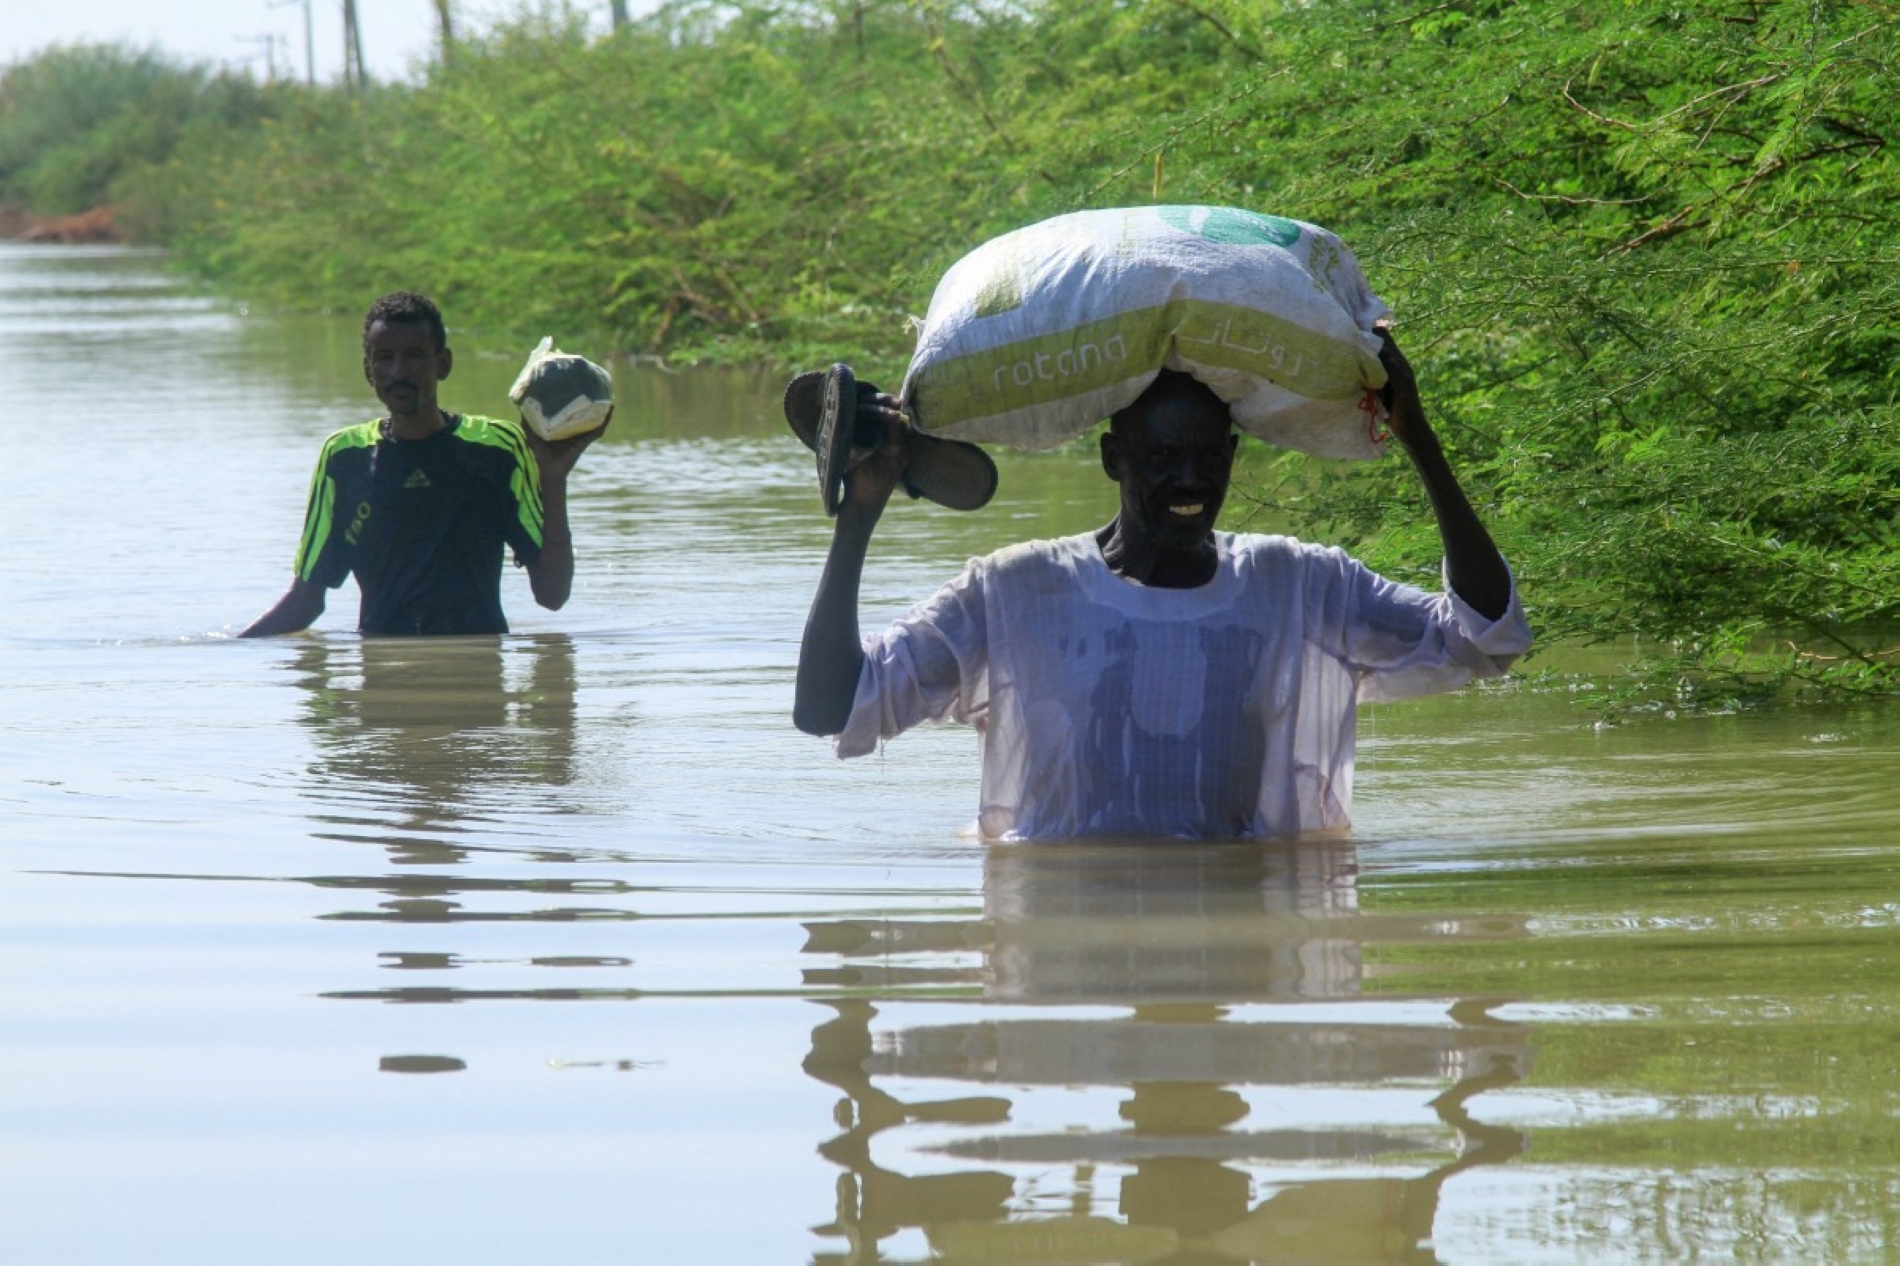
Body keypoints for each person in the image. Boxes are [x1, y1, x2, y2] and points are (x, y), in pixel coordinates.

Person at [793, 329, 1532, 840]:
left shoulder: (1295, 584)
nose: (1189, 481)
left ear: (1233, 457)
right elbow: (829, 707)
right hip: (1068, 948)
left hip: (1238, 940)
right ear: (1114, 458)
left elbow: (1486, 637)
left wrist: (1417, 438)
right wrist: (859, 516)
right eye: (1162, 458)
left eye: (1208, 459)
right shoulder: (1017, 592)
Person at [242, 291, 605, 638]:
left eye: (414, 355)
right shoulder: (344, 457)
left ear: (442, 364)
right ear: (368, 370)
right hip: (381, 671)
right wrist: (228, 651)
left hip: (477, 675)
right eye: (384, 357)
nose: (398, 371)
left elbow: (552, 595)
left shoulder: (497, 449)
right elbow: (306, 600)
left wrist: (553, 479)